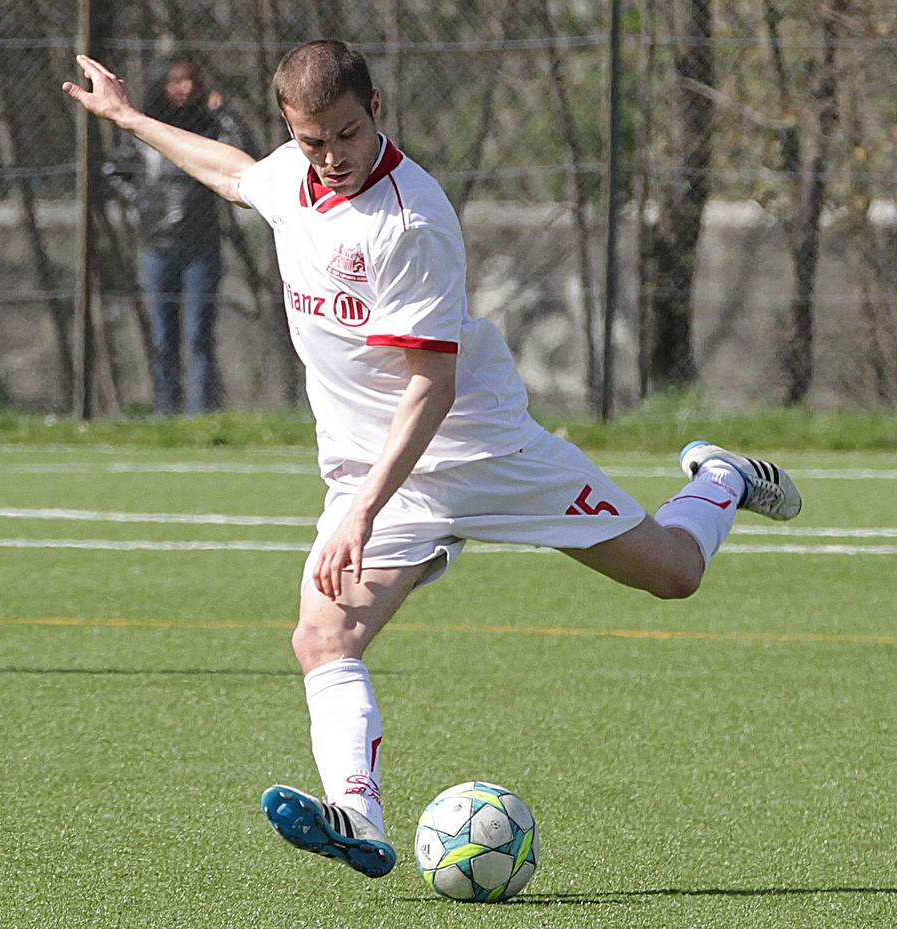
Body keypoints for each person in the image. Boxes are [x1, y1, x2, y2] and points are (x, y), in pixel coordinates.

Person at [63, 40, 802, 879]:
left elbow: (433, 385)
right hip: (376, 474)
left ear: (375, 109)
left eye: (346, 133)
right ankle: (359, 815)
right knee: (323, 637)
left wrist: (363, 511)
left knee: (674, 573)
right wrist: (127, 118)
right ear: (290, 128)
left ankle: (722, 478)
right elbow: (234, 173)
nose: (332, 157)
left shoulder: (410, 220)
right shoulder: (293, 177)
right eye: (312, 140)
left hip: (480, 449)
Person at [104, 54, 254, 415]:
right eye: (175, 81)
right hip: (158, 248)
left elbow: (248, 158)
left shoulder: (209, 129)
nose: (184, 88)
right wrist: (144, 200)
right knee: (162, 336)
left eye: (190, 79)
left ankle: (200, 414)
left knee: (198, 335)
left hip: (202, 247)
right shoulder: (147, 131)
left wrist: (225, 114)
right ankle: (165, 412)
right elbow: (113, 170)